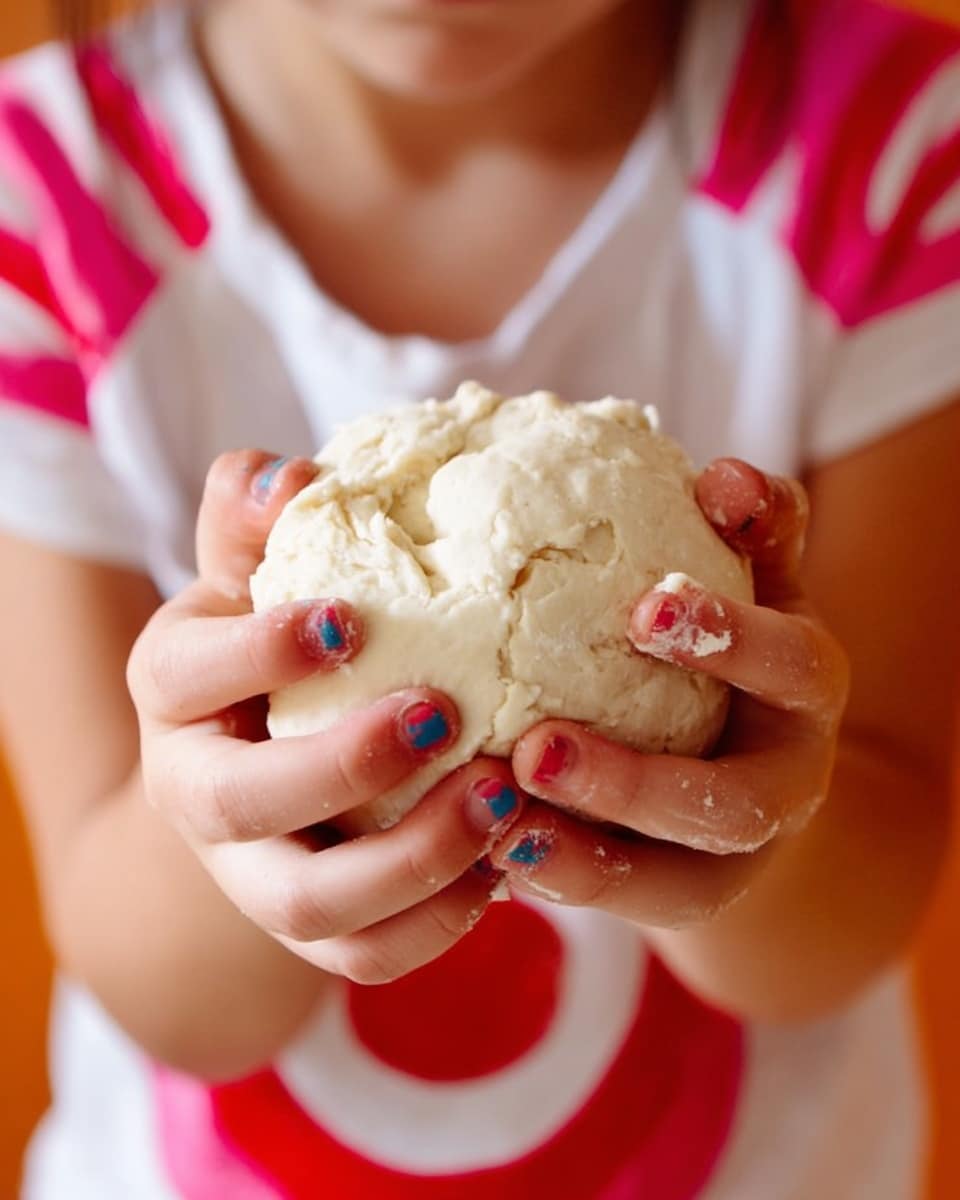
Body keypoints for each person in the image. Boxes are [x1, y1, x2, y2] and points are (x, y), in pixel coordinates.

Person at [0, 0, 958, 1195]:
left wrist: (759, 805)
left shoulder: (891, 150)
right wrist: (231, 802)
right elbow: (162, 992)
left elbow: (853, 918)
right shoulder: (43, 208)